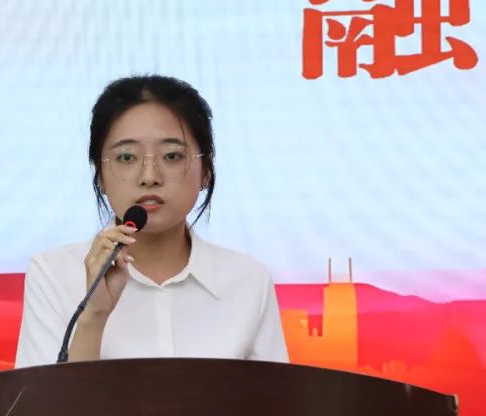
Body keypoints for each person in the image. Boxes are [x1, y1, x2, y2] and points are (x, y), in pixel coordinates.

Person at [14, 75, 288, 367]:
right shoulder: (53, 274)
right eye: (126, 157)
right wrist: (93, 316)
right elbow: (42, 398)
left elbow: (275, 396)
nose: (149, 176)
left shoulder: (249, 280)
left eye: (172, 156)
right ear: (100, 176)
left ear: (206, 171)